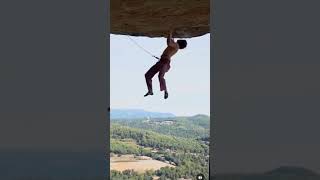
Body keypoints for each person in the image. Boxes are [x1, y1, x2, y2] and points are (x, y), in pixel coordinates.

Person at [144, 30, 187, 99]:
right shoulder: (175, 45)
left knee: (160, 76)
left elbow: (169, 43)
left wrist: (170, 31)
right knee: (148, 75)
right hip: (161, 61)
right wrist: (171, 34)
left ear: (180, 42)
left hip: (165, 62)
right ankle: (150, 91)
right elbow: (171, 40)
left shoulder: (176, 46)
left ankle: (165, 91)